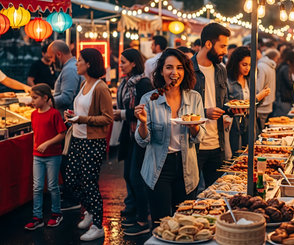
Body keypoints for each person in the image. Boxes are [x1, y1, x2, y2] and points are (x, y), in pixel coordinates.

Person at [134, 48, 206, 227]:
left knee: (185, 223)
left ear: (185, 71)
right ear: (161, 71)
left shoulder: (194, 97)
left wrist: (194, 125)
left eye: (179, 68)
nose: (174, 72)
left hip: (186, 166)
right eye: (169, 67)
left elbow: (199, 138)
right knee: (162, 224)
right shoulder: (149, 99)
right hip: (159, 167)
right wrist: (143, 123)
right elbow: (142, 140)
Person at [64, 48, 113, 241]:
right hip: (77, 138)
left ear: (89, 64)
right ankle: (91, 211)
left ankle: (98, 225)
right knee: (70, 179)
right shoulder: (84, 84)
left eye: (80, 60)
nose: (76, 64)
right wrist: (73, 116)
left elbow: (107, 118)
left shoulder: (100, 87)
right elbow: (82, 112)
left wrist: (82, 119)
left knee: (89, 183)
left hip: (92, 142)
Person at [191, 22, 238, 188]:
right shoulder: (188, 69)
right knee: (192, 194)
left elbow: (224, 103)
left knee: (216, 192)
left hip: (217, 144)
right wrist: (204, 113)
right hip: (194, 145)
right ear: (208, 44)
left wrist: (233, 109)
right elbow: (180, 109)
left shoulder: (221, 69)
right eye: (222, 46)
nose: (225, 51)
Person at [113, 48, 153, 235]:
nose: (120, 65)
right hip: (128, 135)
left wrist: (121, 114)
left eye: (123, 62)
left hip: (140, 134)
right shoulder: (125, 82)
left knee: (137, 177)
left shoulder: (143, 83)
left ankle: (143, 218)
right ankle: (134, 209)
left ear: (133, 63)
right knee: (128, 175)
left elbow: (143, 111)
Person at [47, 40, 83, 211]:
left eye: (52, 56)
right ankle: (71, 193)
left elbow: (67, 97)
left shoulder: (69, 70)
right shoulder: (71, 68)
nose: (51, 60)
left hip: (68, 121)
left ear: (59, 54)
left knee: (67, 160)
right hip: (69, 120)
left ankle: (72, 196)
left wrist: (48, 101)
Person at [24, 84, 66, 230]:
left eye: (35, 98)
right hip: (37, 156)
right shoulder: (33, 114)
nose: (32, 101)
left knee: (53, 186)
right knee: (37, 187)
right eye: (32, 98)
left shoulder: (54, 114)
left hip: (53, 156)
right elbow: (36, 133)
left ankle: (56, 213)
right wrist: (35, 147)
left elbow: (62, 133)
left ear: (45, 98)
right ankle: (37, 217)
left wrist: (47, 143)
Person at [226, 46, 270, 154]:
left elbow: (255, 105)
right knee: (236, 155)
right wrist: (258, 97)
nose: (247, 68)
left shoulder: (249, 80)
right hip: (234, 125)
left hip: (250, 123)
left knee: (250, 153)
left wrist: (261, 97)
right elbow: (227, 105)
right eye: (244, 64)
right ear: (236, 63)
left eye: (250, 65)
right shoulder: (228, 81)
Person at [256, 48, 280, 132]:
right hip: (268, 103)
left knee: (260, 131)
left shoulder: (261, 66)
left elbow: (258, 87)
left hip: (262, 105)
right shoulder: (270, 66)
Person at [273, 49, 294, 117]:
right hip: (284, 99)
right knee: (283, 119)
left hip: (282, 98)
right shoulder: (285, 68)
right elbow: (289, 84)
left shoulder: (282, 66)